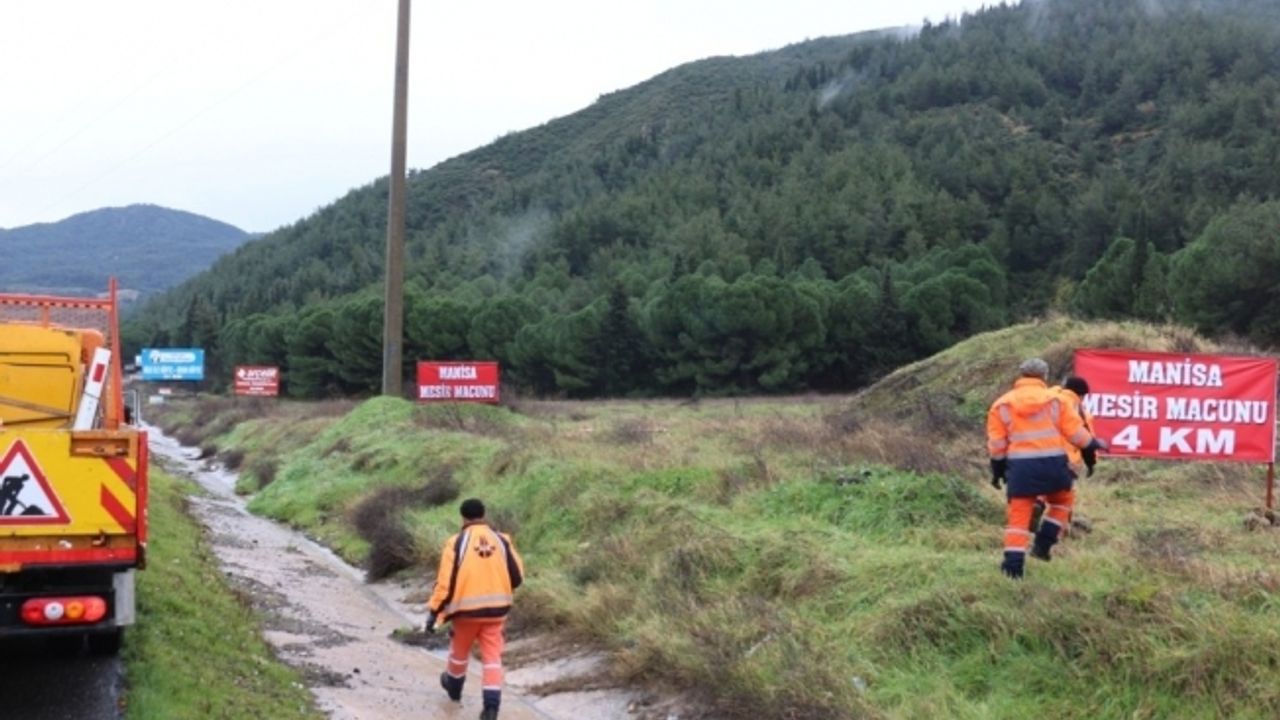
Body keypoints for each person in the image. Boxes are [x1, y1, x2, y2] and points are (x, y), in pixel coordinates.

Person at [987, 359, 1106, 579]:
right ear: (1045, 376)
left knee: (1017, 521)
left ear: (1021, 375)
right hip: (1055, 466)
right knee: (1063, 502)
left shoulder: (1001, 405)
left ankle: (1013, 569)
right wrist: (1093, 446)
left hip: (1021, 471)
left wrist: (997, 472)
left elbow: (997, 446)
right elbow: (1075, 433)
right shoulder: (1056, 401)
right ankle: (1043, 543)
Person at [426, 498, 524, 720]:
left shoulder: (456, 542)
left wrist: (434, 611)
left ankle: (454, 688)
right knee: (492, 658)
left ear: (462, 517)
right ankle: (491, 707)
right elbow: (517, 576)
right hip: (497, 612)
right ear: (484, 514)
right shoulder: (502, 540)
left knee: (459, 652)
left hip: (465, 612)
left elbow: (445, 583)